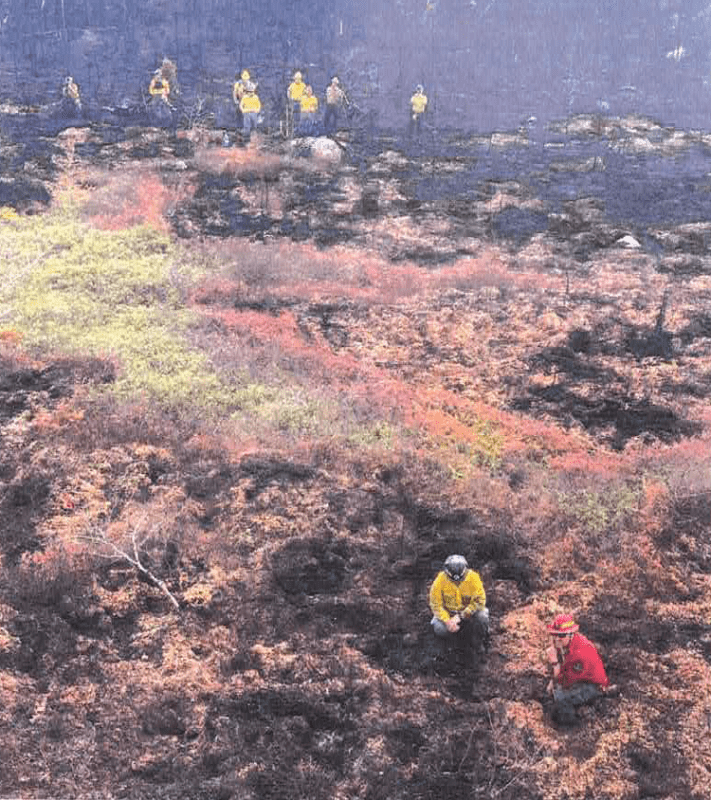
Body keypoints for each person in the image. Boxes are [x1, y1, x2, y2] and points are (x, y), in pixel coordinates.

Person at [546, 613, 611, 725]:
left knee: (560, 697)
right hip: (582, 678)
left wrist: (554, 663)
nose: (557, 639)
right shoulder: (573, 642)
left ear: (571, 634)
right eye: (554, 635)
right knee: (557, 691)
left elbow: (565, 682)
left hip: (593, 686)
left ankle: (572, 724)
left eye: (561, 636)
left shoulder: (579, 654)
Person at [429, 555, 490, 659]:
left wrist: (462, 616)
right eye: (453, 580)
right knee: (439, 628)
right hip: (449, 615)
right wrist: (447, 621)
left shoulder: (473, 578)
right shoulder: (440, 580)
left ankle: (478, 644)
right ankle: (452, 646)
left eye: (460, 580)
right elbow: (436, 604)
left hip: (469, 614)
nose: (457, 582)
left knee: (482, 616)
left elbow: (480, 601)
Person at [287, 70, 306, 134]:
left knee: (301, 116)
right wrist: (290, 98)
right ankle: (294, 131)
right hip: (294, 102)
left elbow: (305, 93)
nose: (297, 80)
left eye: (299, 78)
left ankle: (300, 130)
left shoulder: (303, 85)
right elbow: (288, 92)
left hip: (301, 102)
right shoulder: (292, 85)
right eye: (296, 78)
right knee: (294, 117)